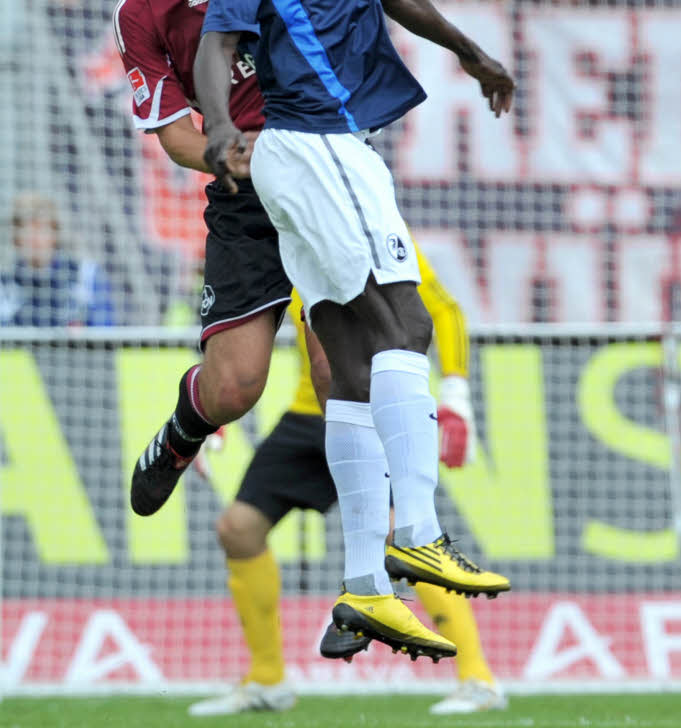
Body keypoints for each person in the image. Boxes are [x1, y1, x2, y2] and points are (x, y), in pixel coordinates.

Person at [194, 0, 514, 659]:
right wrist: (222, 131)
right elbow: (216, 42)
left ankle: (365, 589)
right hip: (313, 142)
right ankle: (417, 529)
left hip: (334, 148)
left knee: (343, 361)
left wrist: (468, 51)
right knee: (402, 323)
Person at [188, 259, 506, 717]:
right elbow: (244, 323)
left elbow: (445, 310)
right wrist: (214, 407)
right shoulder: (286, 239)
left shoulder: (377, 228)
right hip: (308, 414)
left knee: (404, 537)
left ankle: (478, 677)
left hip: (369, 411)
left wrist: (456, 395)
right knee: (238, 529)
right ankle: (267, 678)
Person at [114, 0, 315, 520]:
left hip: (317, 168)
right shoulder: (139, 14)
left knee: (342, 373)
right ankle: (180, 438)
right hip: (245, 195)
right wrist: (234, 158)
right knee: (233, 389)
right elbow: (175, 137)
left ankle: (377, 564)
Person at [0, 192, 115, 327]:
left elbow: (104, 333)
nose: (35, 239)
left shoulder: (86, 276)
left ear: (55, 234)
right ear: (16, 238)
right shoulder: (4, 284)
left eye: (41, 228)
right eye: (27, 229)